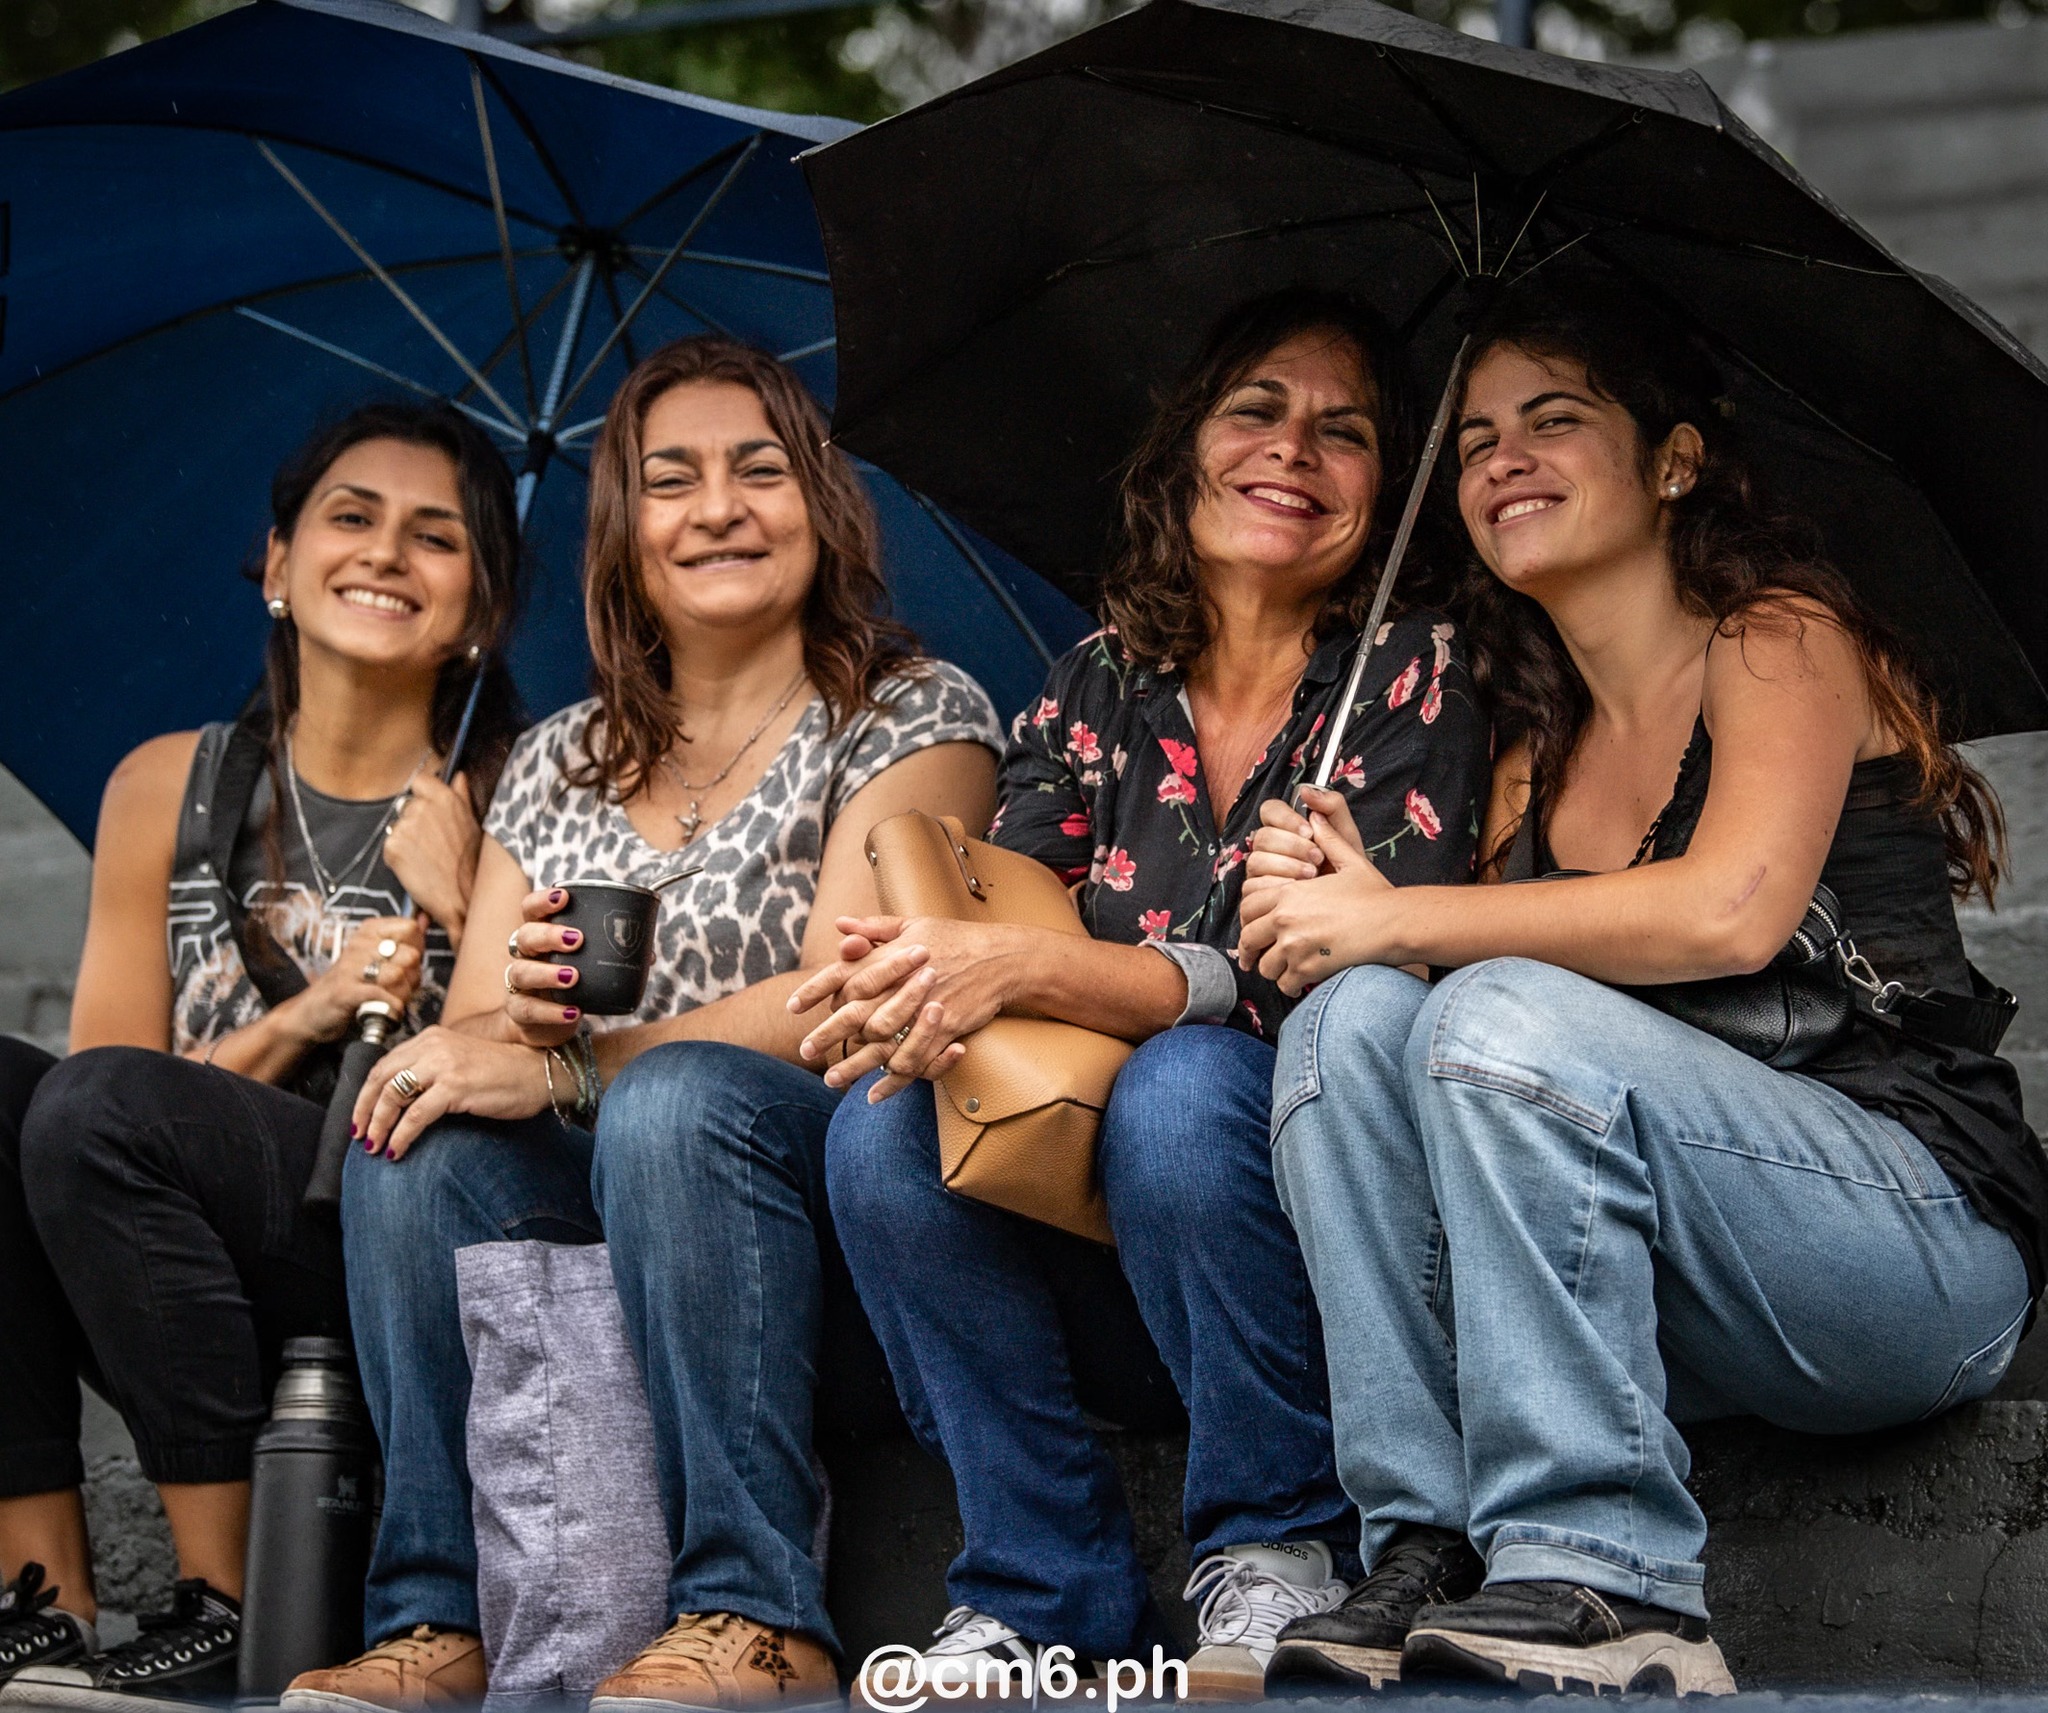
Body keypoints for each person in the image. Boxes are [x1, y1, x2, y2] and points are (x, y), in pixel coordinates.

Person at [1243, 280, 2048, 1698]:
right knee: (1347, 1024)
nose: (1503, 458)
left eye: (1555, 419)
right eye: (1478, 434)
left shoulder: (1776, 638)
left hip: (1908, 1242)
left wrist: (1402, 912)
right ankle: (1428, 1535)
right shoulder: (1527, 751)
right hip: (1671, 1279)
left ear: (1674, 461)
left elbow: (1733, 913)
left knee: (1485, 1005)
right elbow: (1462, 1047)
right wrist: (1348, 897)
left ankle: (1615, 1580)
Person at [286, 335, 1003, 1713]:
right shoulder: (558, 754)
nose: (718, 505)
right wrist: (519, 1014)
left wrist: (577, 1057)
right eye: (672, 478)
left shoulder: (913, 714)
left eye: (761, 469)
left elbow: (839, 996)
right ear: (627, 529)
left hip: (822, 1221)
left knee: (679, 1098)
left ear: (823, 504)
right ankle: (439, 1611)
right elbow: (486, 1018)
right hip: (602, 1210)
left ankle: (752, 1607)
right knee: (409, 1116)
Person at [797, 290, 1491, 1700]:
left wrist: (1049, 969)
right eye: (1257, 410)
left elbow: (1326, 1001)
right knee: (877, 1120)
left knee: (1185, 1091)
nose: (1293, 449)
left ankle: (1282, 1545)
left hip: (1306, 1257)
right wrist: (918, 984)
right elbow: (1009, 911)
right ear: (1184, 451)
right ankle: (1041, 1581)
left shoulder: (1421, 678)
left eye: (1345, 431)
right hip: (1103, 1236)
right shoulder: (1094, 682)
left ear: (1388, 489)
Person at [0, 401, 526, 1708]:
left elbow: (548, 1086)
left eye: (437, 537)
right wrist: (309, 1007)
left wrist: (467, 901)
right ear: (280, 566)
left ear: (477, 614)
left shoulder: (528, 791)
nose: (387, 553)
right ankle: (42, 1598)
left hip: (390, 1254)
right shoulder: (163, 785)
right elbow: (85, 1103)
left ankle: (236, 1599)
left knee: (102, 1109)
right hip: (161, 1260)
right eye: (352, 518)